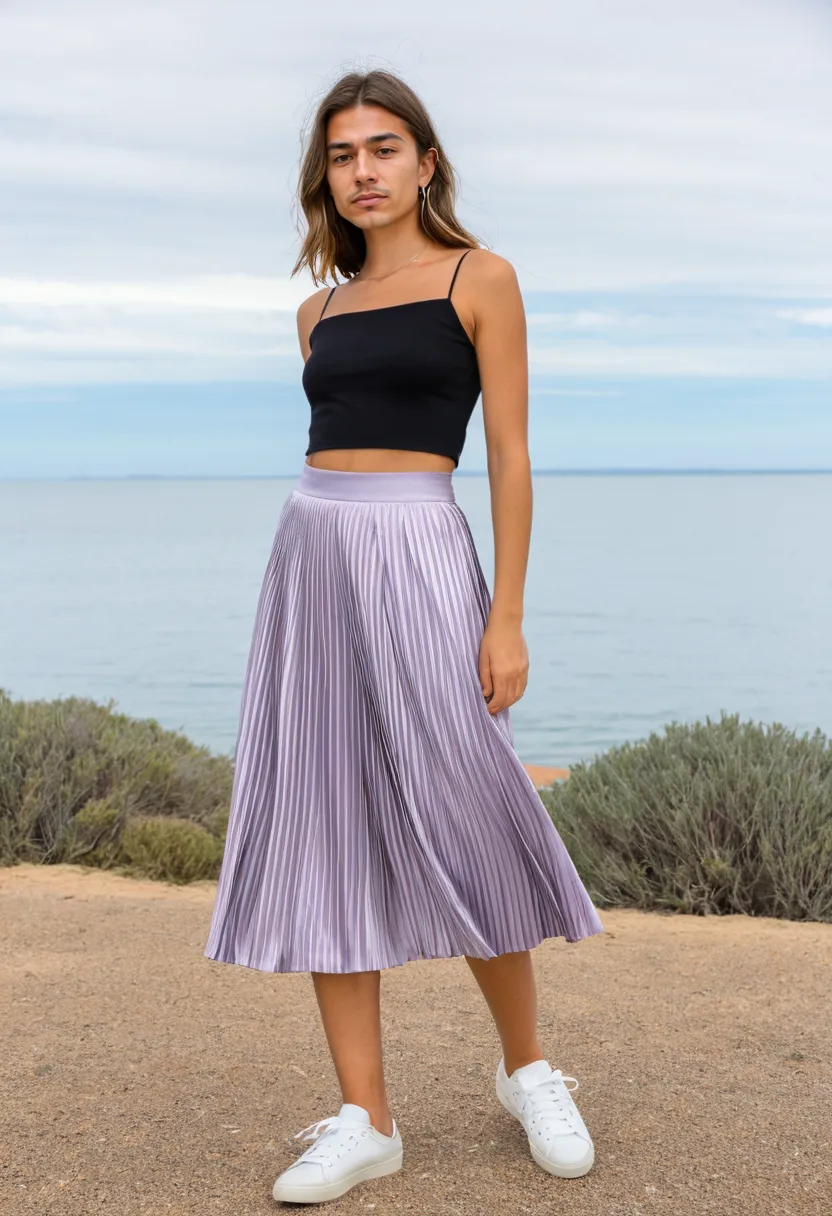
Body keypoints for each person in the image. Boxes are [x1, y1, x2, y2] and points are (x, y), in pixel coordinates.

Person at [203, 67, 605, 1206]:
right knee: (324, 810)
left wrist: (507, 612)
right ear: (323, 178)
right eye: (342, 155)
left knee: (472, 801)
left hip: (424, 551)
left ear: (427, 161)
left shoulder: (483, 278)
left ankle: (527, 1068)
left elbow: (511, 456)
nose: (363, 171)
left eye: (384, 148)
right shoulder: (316, 311)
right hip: (313, 557)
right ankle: (364, 1115)